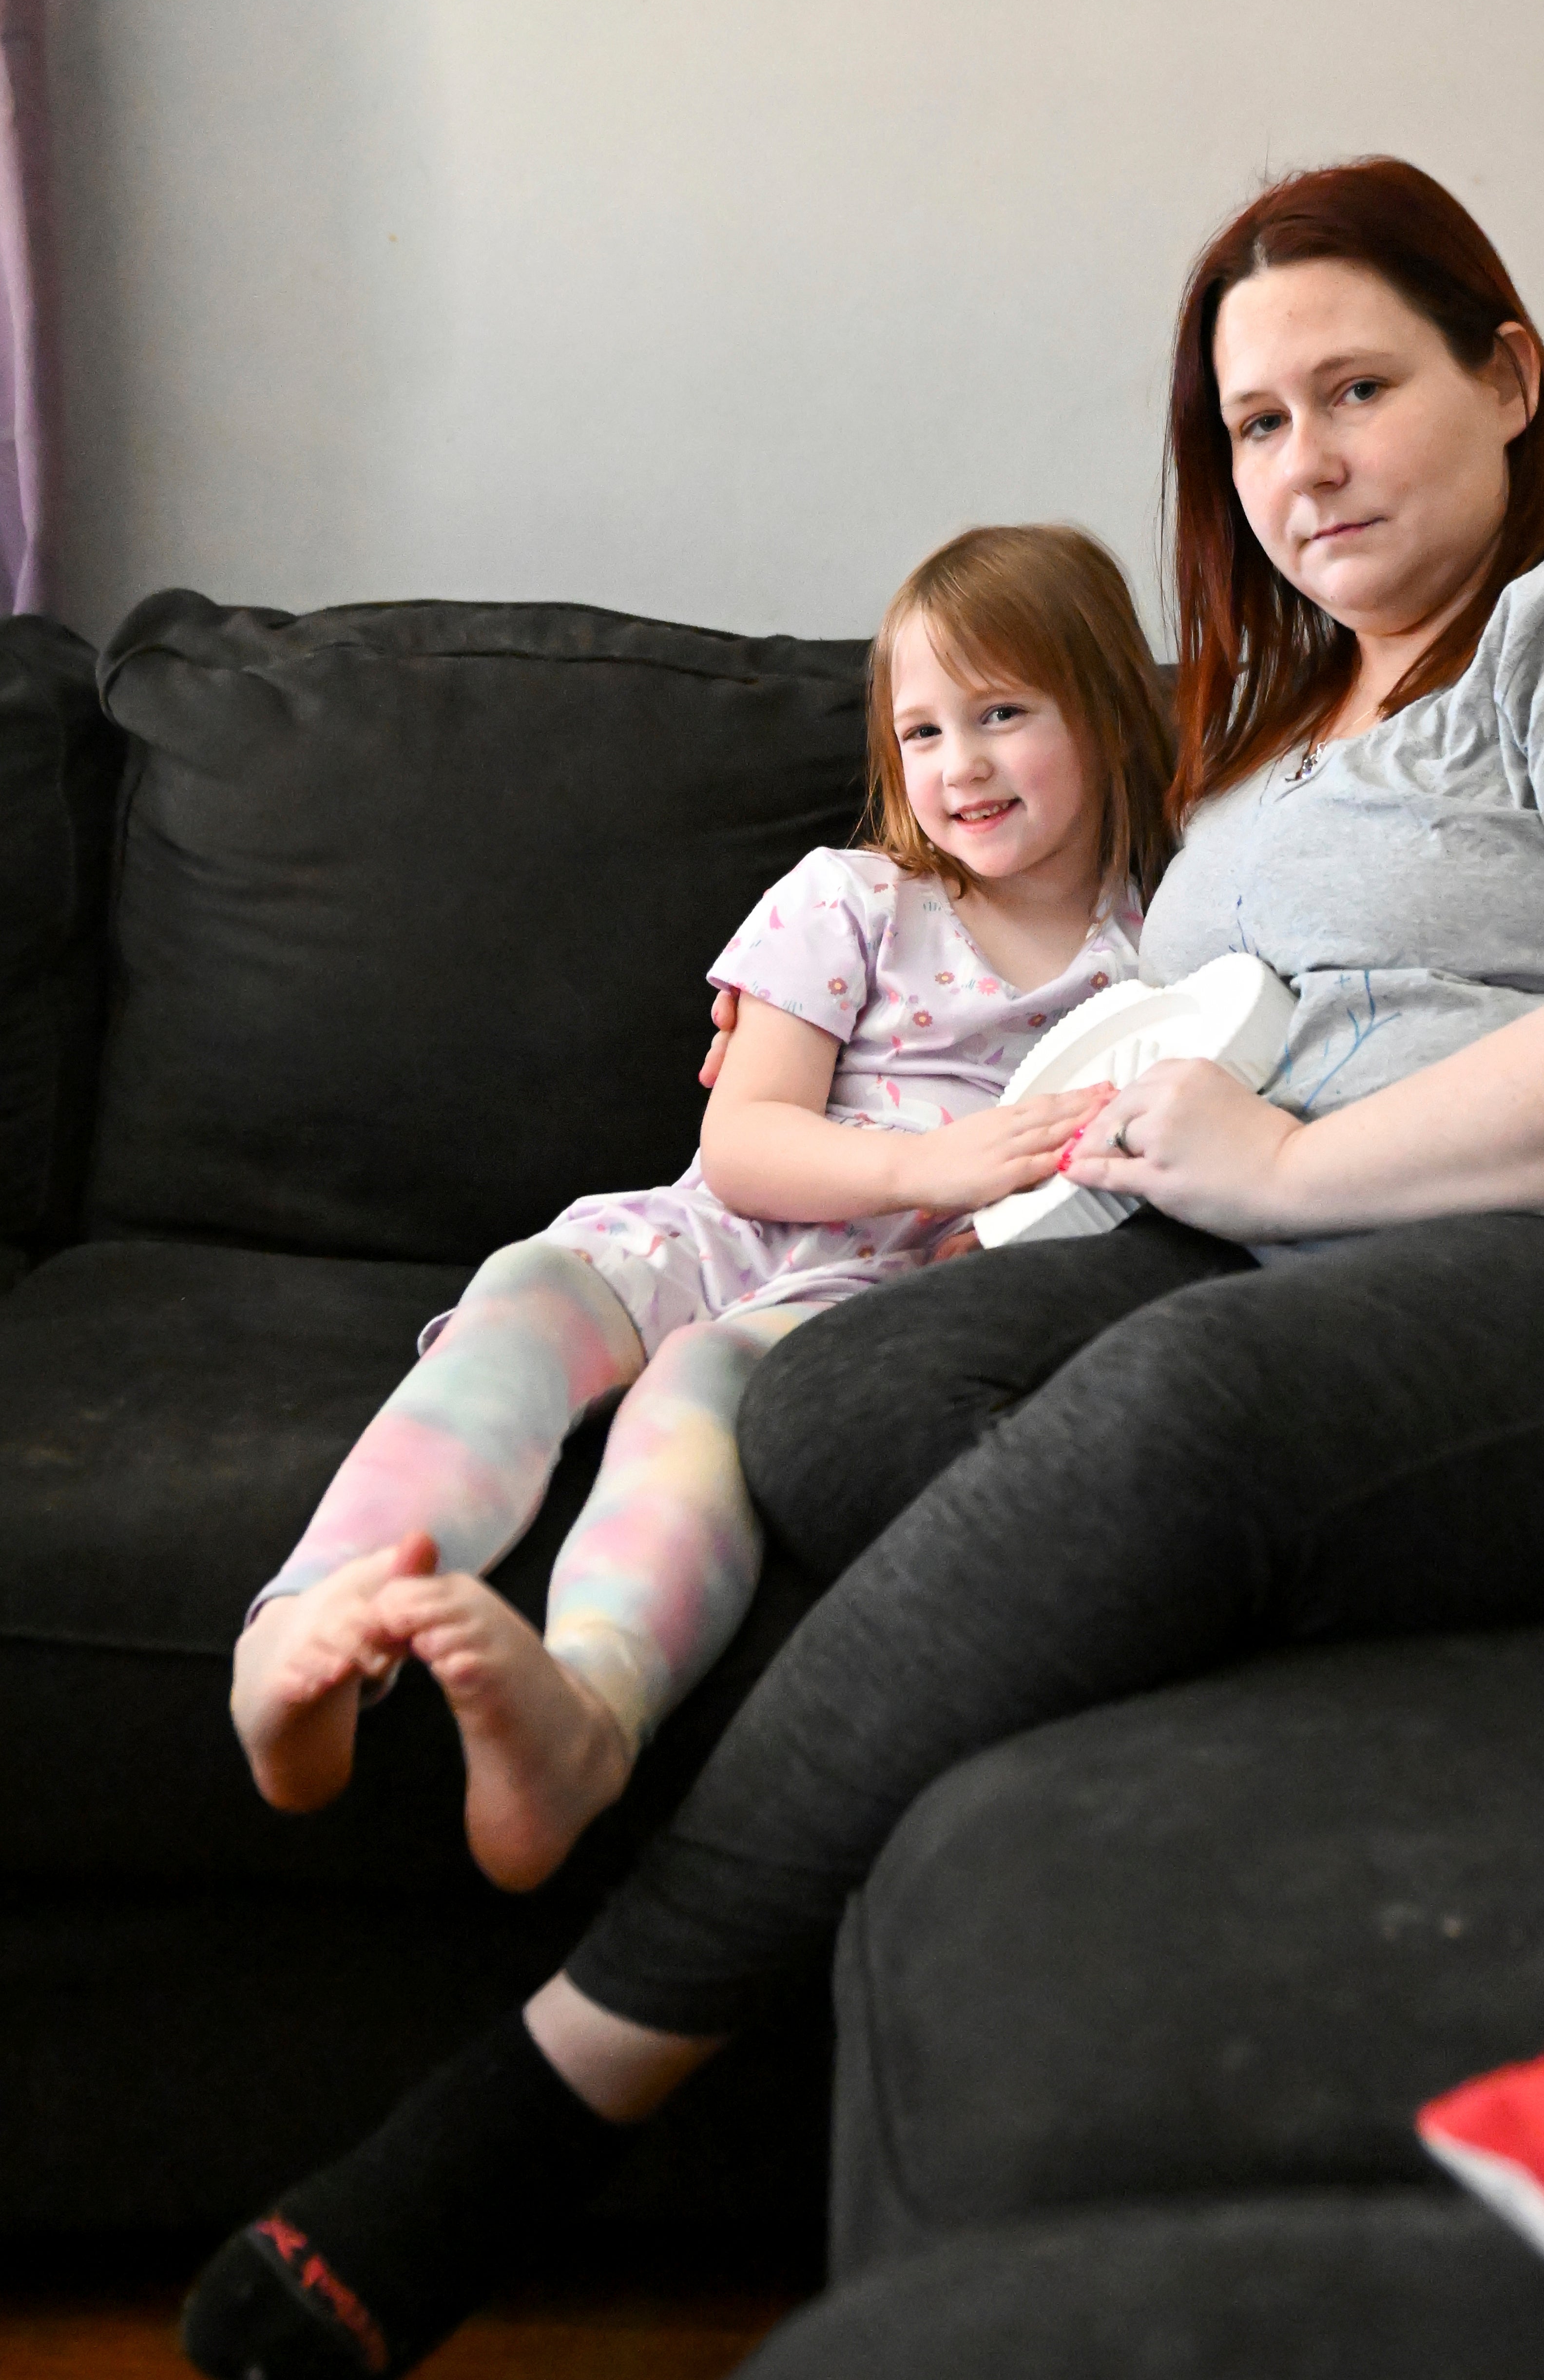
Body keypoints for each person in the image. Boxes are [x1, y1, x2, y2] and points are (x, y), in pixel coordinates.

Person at [184, 161, 1544, 2380]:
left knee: (1193, 1414)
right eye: (1251, 421)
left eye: (1359, 384)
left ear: (1506, 379)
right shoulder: (1278, 724)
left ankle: (554, 2079)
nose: (1303, 458)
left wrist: (1300, 1161)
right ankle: (1534, 1569)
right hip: (1273, 1242)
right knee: (827, 1400)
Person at [224, 523, 1160, 1901]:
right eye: (921, 728)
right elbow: (745, 1145)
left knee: (702, 1394)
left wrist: (1015, 1227)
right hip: (721, 1226)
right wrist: (938, 1162)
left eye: (1004, 713)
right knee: (522, 1297)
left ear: (1110, 712)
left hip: (870, 1306)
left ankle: (583, 1716)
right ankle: (303, 1628)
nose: (957, 762)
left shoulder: (1157, 956)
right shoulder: (850, 899)